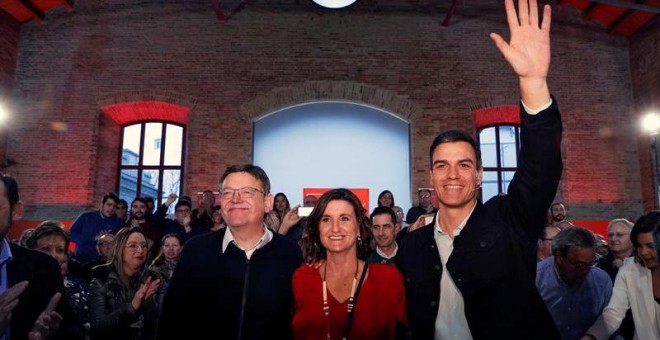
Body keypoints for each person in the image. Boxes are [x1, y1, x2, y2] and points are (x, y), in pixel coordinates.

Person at [396, 0, 563, 338]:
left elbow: (540, 167)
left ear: (480, 173)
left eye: (464, 165)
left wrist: (532, 83)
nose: (453, 175)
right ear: (430, 177)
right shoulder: (412, 248)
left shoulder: (509, 221)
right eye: (442, 166)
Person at [157, 164, 303, 340]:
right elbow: (171, 320)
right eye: (227, 193)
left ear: (267, 202)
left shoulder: (289, 253)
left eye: (247, 192)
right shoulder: (196, 250)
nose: (235, 199)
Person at [292, 188, 407, 340]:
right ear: (318, 228)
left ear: (359, 227)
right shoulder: (302, 278)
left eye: (344, 218)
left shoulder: (389, 279)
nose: (335, 228)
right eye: (326, 219)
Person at [0, 175, 85, 339]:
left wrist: (53, 333)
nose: (54, 253)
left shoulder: (43, 267)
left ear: (16, 210)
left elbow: (74, 332)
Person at [582, 212, 660, 340]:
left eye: (651, 246)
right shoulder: (630, 270)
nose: (644, 252)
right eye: (639, 246)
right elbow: (613, 313)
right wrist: (591, 337)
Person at [536, 227, 612, 339]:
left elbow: (609, 319)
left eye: (591, 264)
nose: (586, 271)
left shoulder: (601, 280)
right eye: (579, 265)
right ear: (559, 257)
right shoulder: (536, 278)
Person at [87, 226, 162, 340]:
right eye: (133, 246)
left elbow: (160, 324)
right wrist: (133, 306)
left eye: (143, 246)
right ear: (120, 248)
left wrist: (148, 305)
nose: (140, 250)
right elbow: (97, 327)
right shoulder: (101, 278)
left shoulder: (154, 278)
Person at [25, 220, 90, 333]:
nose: (53, 255)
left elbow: (81, 331)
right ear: (31, 251)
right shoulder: (20, 285)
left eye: (59, 250)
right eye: (46, 249)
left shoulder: (69, 289)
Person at [70, 192, 122, 264]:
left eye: (114, 206)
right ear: (102, 204)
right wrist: (93, 238)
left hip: (103, 264)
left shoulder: (117, 223)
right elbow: (70, 235)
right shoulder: (86, 217)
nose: (111, 209)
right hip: (80, 261)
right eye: (109, 205)